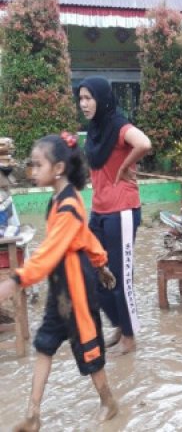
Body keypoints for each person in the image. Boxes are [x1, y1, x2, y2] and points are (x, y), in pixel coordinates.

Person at [0, 133, 119, 430]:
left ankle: (108, 401)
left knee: (88, 345)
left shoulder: (68, 206)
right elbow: (85, 236)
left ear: (58, 169)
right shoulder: (58, 200)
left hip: (76, 284)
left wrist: (16, 280)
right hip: (60, 286)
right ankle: (33, 414)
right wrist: (101, 261)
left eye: (38, 165)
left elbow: (51, 251)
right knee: (44, 344)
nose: (33, 171)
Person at [79, 77, 152, 355]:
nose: (84, 104)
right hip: (98, 210)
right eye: (81, 98)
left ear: (102, 98)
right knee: (92, 270)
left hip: (121, 210)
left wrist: (125, 165)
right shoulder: (96, 130)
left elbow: (144, 143)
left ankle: (130, 338)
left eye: (89, 98)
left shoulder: (119, 125)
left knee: (120, 277)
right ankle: (120, 324)